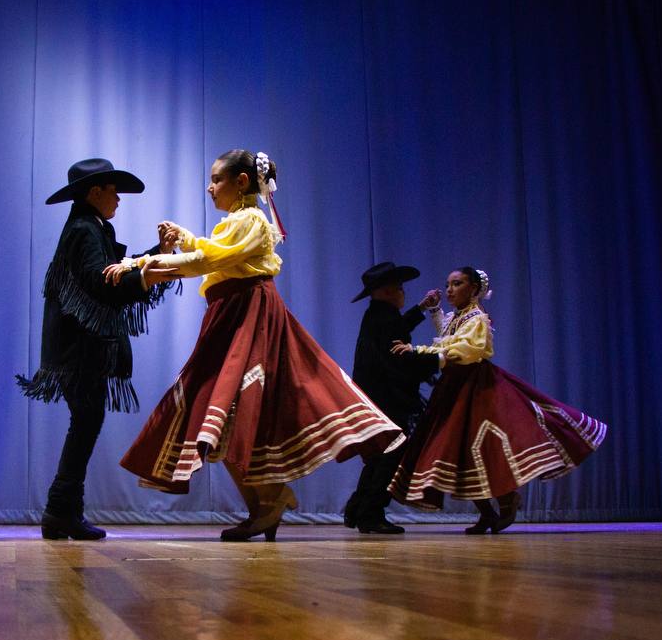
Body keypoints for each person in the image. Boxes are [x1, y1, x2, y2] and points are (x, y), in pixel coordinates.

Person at [113, 150, 405, 541]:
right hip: (228, 316)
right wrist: (166, 253)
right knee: (218, 418)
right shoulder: (237, 222)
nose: (210, 186)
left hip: (249, 315)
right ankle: (263, 507)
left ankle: (269, 499)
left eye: (217, 179)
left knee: (229, 410)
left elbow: (208, 260)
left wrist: (139, 265)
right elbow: (210, 258)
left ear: (242, 182)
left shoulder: (252, 219)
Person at [16, 159, 180, 540]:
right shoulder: (84, 230)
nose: (118, 199)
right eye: (113, 190)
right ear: (95, 193)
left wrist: (156, 254)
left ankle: (63, 513)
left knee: (85, 424)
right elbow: (101, 282)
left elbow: (113, 271)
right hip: (79, 351)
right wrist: (149, 272)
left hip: (77, 350)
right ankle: (60, 511)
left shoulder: (89, 228)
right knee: (85, 424)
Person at [389, 267, 607, 533]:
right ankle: (487, 513)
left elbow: (467, 350)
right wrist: (434, 313)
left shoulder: (477, 317)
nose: (449, 290)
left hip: (476, 388)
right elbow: (448, 337)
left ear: (473, 289)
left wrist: (417, 350)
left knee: (480, 447)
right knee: (458, 451)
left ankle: (506, 500)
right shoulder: (460, 316)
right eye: (447, 285)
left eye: (457, 284)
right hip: (453, 387)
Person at [341, 262, 441, 534]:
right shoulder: (384, 317)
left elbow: (397, 330)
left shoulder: (379, 314)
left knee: (379, 454)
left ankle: (359, 509)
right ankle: (370, 512)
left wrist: (420, 309)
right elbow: (397, 358)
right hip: (387, 397)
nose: (402, 293)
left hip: (376, 394)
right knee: (390, 454)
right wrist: (439, 359)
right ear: (386, 291)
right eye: (399, 288)